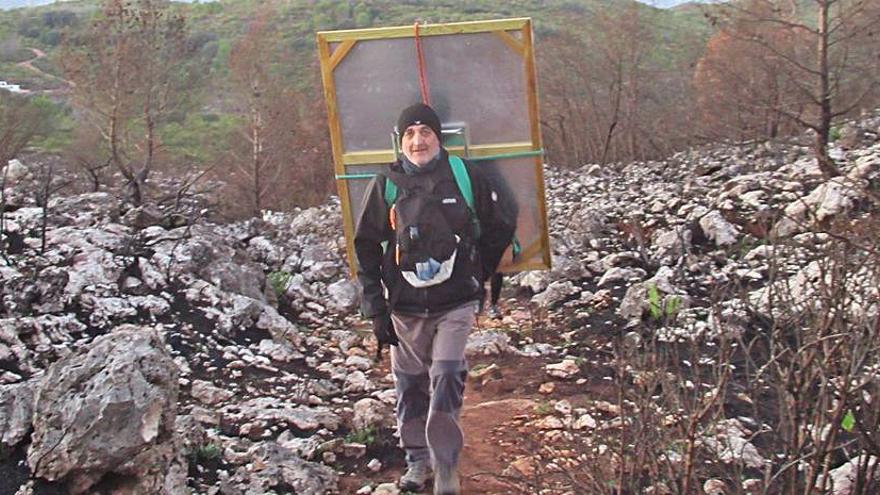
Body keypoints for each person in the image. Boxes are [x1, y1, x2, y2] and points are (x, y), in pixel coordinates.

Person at [354, 103, 515, 494]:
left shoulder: (462, 175)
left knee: (445, 375)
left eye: (425, 132)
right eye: (409, 133)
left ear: (438, 138)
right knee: (409, 386)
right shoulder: (386, 184)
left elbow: (500, 222)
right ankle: (416, 461)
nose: (417, 140)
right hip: (405, 308)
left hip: (455, 303)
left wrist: (479, 273)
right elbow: (366, 246)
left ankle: (445, 464)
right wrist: (375, 307)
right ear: (400, 140)